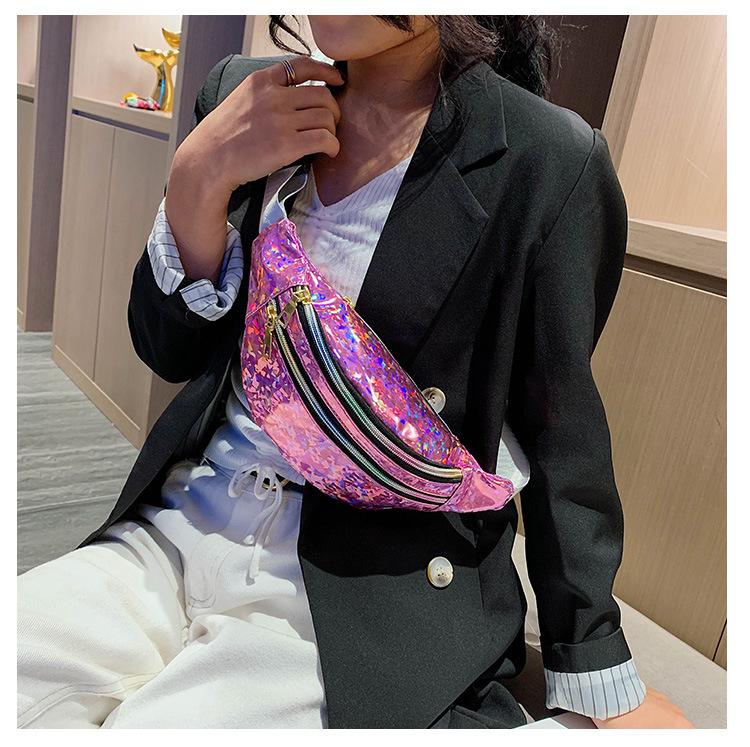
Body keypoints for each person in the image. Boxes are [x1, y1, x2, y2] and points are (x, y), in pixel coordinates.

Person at [17, 16, 692, 728]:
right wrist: (197, 177)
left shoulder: (547, 160)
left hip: (358, 586)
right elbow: (169, 352)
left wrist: (595, 666)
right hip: (181, 523)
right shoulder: (246, 96)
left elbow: (563, 431)